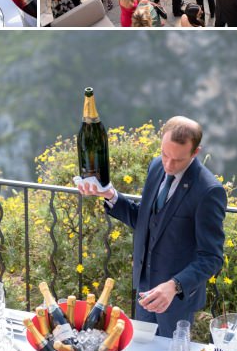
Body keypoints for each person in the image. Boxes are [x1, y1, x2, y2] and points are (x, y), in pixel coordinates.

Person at [79, 117, 225, 337]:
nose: (168, 165)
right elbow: (145, 221)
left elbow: (211, 257)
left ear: (195, 152)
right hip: (144, 288)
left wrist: (174, 286)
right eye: (165, 154)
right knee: (143, 349)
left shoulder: (209, 191)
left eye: (177, 159)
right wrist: (110, 195)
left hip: (175, 299)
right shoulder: (156, 166)